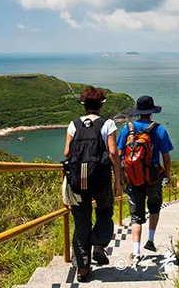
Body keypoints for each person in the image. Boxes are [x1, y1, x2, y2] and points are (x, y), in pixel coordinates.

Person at [64, 86, 122, 282]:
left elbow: (66, 153)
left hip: (78, 181)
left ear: (83, 105)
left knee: (81, 222)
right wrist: (119, 181)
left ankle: (82, 268)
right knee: (105, 212)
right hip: (101, 179)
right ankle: (98, 245)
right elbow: (114, 153)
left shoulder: (73, 125)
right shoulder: (108, 124)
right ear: (101, 105)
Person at [117, 95, 173, 263]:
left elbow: (119, 154)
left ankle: (136, 251)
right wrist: (168, 174)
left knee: (136, 216)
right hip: (154, 177)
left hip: (133, 178)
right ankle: (150, 240)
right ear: (151, 111)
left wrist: (120, 177)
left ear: (138, 111)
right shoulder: (159, 130)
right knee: (154, 207)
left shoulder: (128, 128)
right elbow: (166, 156)